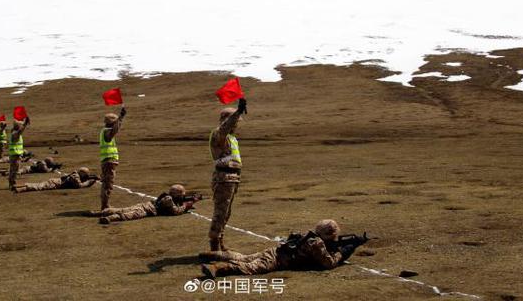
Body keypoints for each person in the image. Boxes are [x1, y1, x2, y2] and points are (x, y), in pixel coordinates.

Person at [200, 219, 367, 277]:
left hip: (275, 251)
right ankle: (217, 267)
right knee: (250, 267)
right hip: (278, 259)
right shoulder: (317, 243)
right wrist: (344, 251)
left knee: (245, 257)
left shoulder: (309, 235)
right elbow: (328, 264)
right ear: (329, 235)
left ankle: (214, 254)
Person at [208, 97, 247, 251]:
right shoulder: (219, 134)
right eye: (236, 121)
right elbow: (224, 127)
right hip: (223, 178)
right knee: (220, 212)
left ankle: (220, 241)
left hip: (232, 178)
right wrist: (237, 112)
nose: (237, 124)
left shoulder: (232, 138)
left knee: (226, 212)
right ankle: (214, 245)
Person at [88, 184, 201, 224]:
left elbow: (179, 201)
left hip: (144, 205)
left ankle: (98, 213)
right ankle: (109, 219)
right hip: (147, 210)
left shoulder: (167, 196)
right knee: (129, 215)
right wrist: (186, 206)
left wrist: (189, 201)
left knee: (121, 209)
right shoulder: (168, 200)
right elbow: (175, 212)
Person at [99, 107, 126, 210]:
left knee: (106, 183)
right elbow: (112, 133)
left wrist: (119, 119)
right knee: (107, 184)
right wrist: (121, 118)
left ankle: (105, 205)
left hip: (108, 161)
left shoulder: (105, 131)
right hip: (108, 160)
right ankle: (105, 206)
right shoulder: (107, 132)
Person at [14, 167, 98, 193]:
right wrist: (88, 183)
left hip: (55, 181)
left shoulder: (75, 174)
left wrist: (91, 178)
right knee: (38, 187)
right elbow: (78, 185)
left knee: (38, 184)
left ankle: (18, 186)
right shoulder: (75, 177)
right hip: (55, 183)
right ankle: (20, 189)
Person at [8, 117, 30, 190]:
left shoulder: (13, 132)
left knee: (12, 170)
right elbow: (20, 130)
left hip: (14, 154)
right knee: (15, 170)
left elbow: (20, 129)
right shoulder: (15, 134)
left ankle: (11, 183)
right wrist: (25, 124)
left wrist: (24, 122)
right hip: (15, 155)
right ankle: (13, 184)